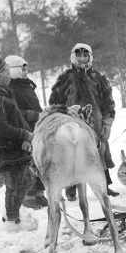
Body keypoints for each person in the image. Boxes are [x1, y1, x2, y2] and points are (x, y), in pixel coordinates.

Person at [49, 43, 118, 199]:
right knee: (70, 154)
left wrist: (107, 123)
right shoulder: (65, 78)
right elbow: (54, 102)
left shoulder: (98, 78)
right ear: (73, 57)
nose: (81, 59)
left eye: (85, 55)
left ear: (90, 57)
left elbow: (108, 103)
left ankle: (104, 185)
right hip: (71, 123)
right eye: (78, 55)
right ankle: (71, 188)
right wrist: (61, 118)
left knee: (99, 152)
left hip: (96, 123)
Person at [0, 55, 38, 232]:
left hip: (16, 147)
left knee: (26, 180)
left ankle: (13, 212)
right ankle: (13, 220)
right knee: (14, 185)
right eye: (6, 71)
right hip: (7, 151)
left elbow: (14, 118)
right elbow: (0, 127)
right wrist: (24, 134)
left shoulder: (3, 94)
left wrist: (27, 132)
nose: (9, 75)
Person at [5, 55, 48, 209]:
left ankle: (39, 194)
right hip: (22, 131)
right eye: (22, 68)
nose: (25, 71)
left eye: (26, 68)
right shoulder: (9, 89)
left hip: (36, 128)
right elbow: (13, 113)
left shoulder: (27, 85)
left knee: (38, 161)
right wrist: (34, 115)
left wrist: (42, 115)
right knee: (25, 164)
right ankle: (28, 196)